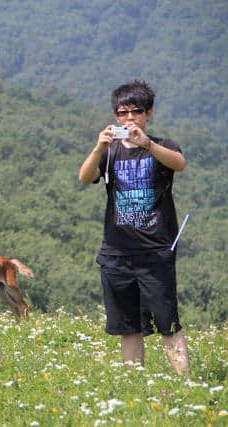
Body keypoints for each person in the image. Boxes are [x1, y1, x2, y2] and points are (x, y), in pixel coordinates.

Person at [78, 80, 189, 375]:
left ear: (148, 113)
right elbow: (84, 176)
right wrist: (98, 146)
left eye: (136, 111)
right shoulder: (110, 151)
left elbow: (180, 163)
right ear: (115, 115)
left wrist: (147, 145)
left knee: (167, 322)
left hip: (155, 251)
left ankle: (185, 384)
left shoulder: (162, 146)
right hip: (116, 252)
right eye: (122, 112)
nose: (129, 118)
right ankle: (133, 385)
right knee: (128, 326)